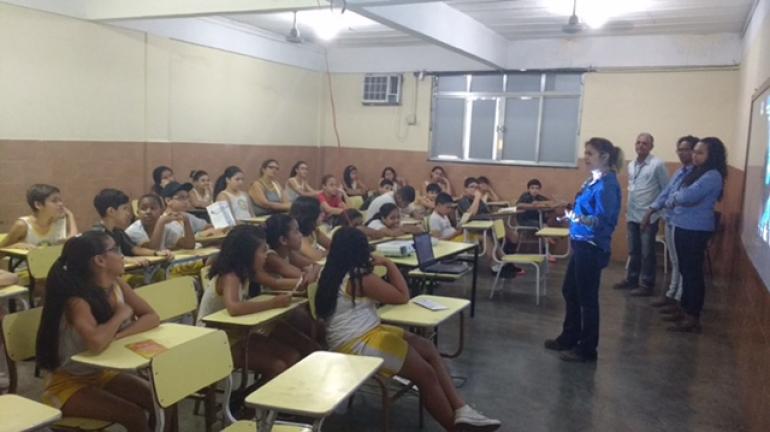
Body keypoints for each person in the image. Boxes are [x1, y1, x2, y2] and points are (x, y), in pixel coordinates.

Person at [314, 227, 501, 431]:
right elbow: (402, 296)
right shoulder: (360, 278)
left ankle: (461, 409)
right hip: (357, 343)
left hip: (363, 333)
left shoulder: (329, 271)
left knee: (426, 347)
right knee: (425, 374)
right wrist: (388, 263)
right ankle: (454, 428)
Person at [36, 231, 161, 431]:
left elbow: (151, 317)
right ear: (100, 260)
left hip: (100, 373)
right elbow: (95, 342)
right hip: (66, 383)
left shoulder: (117, 284)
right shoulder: (77, 300)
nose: (122, 255)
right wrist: (120, 315)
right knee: (133, 415)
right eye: (115, 250)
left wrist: (117, 336)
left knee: (161, 398)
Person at [196, 225, 309, 383]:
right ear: (246, 254)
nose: (266, 255)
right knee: (277, 366)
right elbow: (234, 308)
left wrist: (303, 281)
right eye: (262, 251)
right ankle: (250, 404)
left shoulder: (248, 271)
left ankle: (275, 403)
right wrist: (273, 303)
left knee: (293, 356)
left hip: (237, 334)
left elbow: (276, 282)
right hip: (215, 341)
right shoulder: (231, 276)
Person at [545, 138, 623, 362]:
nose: (585, 158)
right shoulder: (592, 181)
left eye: (590, 153)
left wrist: (571, 216)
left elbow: (600, 220)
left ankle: (587, 348)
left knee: (587, 298)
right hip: (580, 243)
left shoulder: (607, 184)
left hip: (592, 246)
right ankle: (569, 336)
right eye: (585, 153)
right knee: (570, 291)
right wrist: (567, 210)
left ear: (605, 157)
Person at [662, 137, 727, 332]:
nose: (694, 156)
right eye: (694, 152)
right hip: (684, 226)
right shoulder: (697, 172)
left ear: (711, 155)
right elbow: (680, 193)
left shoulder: (712, 175)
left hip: (695, 229)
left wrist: (676, 198)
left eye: (700, 153)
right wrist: (677, 197)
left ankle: (693, 315)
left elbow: (687, 196)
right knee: (684, 270)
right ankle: (684, 308)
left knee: (692, 274)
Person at [641, 135, 698, 310]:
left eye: (686, 149)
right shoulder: (681, 171)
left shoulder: (696, 174)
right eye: (679, 150)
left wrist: (666, 203)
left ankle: (679, 298)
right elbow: (666, 193)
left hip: (685, 223)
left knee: (681, 263)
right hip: (671, 219)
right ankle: (671, 294)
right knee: (675, 261)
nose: (682, 153)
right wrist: (652, 209)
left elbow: (680, 197)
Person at [614, 133, 669, 297]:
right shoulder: (631, 165)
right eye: (638, 142)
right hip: (632, 214)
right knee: (634, 251)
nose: (640, 146)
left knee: (647, 252)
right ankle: (631, 280)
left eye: (645, 143)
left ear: (651, 146)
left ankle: (646, 284)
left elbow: (666, 190)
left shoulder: (657, 165)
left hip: (649, 217)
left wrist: (654, 211)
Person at [91, 189, 167, 260]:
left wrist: (157, 253)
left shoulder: (118, 232)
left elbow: (134, 249)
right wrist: (132, 260)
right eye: (124, 209)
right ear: (111, 211)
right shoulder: (98, 235)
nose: (128, 213)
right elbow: (110, 259)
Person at [0, 184, 78, 249]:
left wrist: (70, 215)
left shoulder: (59, 221)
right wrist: (15, 246)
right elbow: (2, 250)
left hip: (49, 266)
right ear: (38, 205)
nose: (61, 204)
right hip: (24, 266)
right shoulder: (22, 225)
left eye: (60, 200)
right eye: (54, 201)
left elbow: (72, 243)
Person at [261, 214, 321, 292]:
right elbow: (302, 278)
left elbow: (316, 264)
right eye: (296, 232)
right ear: (283, 240)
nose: (301, 235)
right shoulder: (271, 258)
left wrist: (312, 273)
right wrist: (310, 272)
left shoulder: (289, 252)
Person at [290, 196, 331, 262]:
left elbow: (333, 245)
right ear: (309, 215)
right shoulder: (300, 237)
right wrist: (325, 252)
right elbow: (316, 257)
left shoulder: (313, 230)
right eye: (319, 212)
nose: (323, 214)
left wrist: (323, 252)